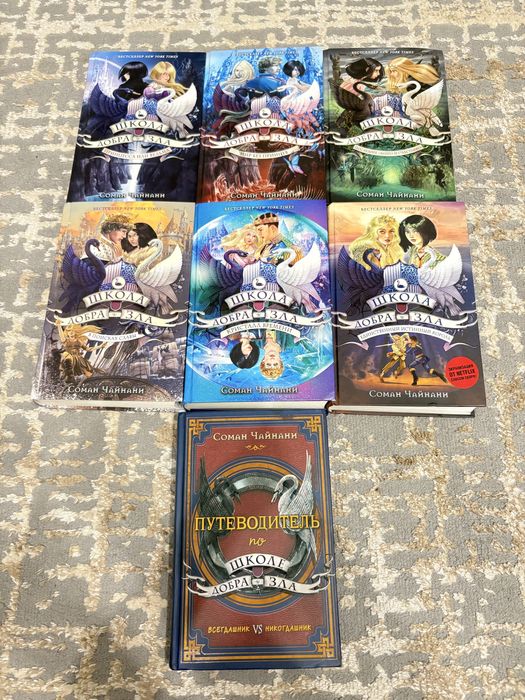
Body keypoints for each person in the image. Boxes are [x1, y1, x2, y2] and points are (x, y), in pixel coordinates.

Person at [55, 319, 107, 383]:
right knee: (67, 359)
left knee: (88, 373)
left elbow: (87, 349)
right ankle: (69, 378)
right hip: (69, 357)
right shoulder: (66, 341)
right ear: (67, 332)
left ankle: (93, 381)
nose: (71, 332)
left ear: (76, 331)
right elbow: (61, 335)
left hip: (79, 359)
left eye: (73, 330)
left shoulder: (79, 341)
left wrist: (100, 346)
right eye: (69, 330)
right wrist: (59, 325)